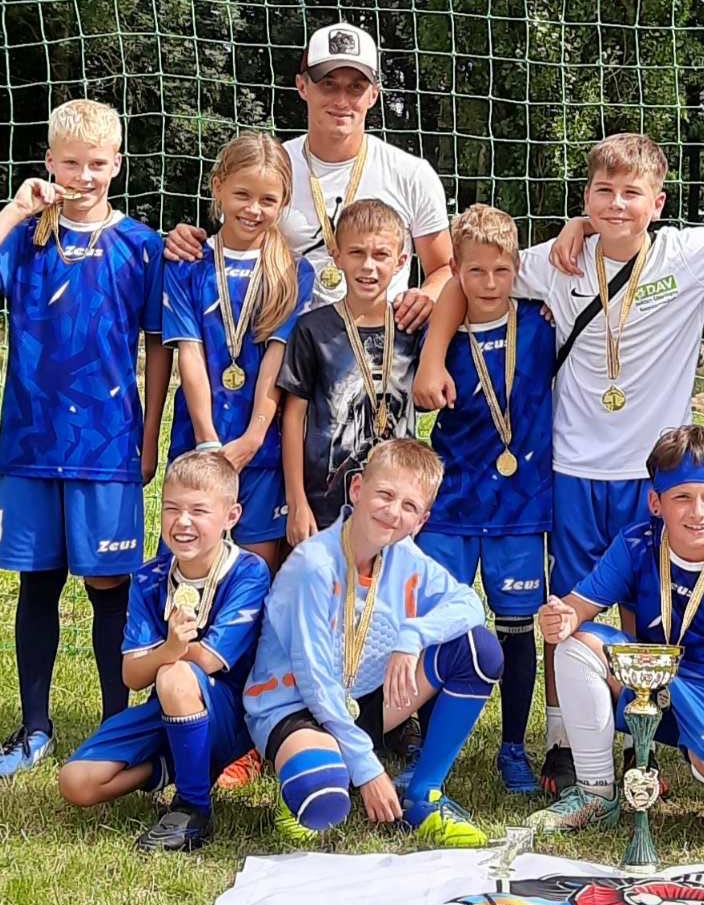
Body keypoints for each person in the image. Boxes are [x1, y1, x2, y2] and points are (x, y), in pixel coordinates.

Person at [415, 132, 704, 796]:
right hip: (574, 466)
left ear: (658, 202)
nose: (617, 204)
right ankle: (565, 742)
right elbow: (470, 276)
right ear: (585, 197)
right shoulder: (555, 261)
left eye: (632, 193)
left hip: (653, 472)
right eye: (602, 192)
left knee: (647, 602)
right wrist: (433, 357)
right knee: (568, 604)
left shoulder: (687, 253)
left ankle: (643, 733)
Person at [0, 98, 168, 779]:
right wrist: (15, 210)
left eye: (97, 163)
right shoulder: (26, 239)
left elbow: (159, 346)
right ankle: (35, 726)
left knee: (108, 586)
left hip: (107, 446)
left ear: (117, 164)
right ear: (49, 164)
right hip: (32, 446)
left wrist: (149, 433)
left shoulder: (141, 246)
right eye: (71, 163)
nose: (84, 176)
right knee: (38, 582)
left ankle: (114, 728)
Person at [532, 425, 704, 849]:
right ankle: (596, 792)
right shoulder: (636, 544)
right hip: (653, 679)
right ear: (656, 503)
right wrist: (561, 618)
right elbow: (578, 607)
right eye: (682, 498)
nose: (698, 512)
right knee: (576, 648)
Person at [243, 438, 503, 847]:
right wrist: (367, 770)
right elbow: (314, 680)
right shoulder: (314, 565)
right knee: (322, 802)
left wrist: (413, 636)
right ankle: (310, 771)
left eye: (409, 506)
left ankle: (423, 794)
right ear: (357, 489)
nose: (393, 512)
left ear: (421, 521)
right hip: (295, 706)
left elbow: (469, 604)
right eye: (385, 494)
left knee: (479, 649)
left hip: (361, 700)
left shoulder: (405, 557)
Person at [161, 22, 453, 329]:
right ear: (302, 87)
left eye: (356, 87)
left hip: (382, 344)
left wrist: (428, 295)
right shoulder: (271, 168)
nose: (341, 100)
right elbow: (231, 245)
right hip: (284, 345)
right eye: (328, 84)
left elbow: (444, 268)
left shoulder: (411, 174)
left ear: (374, 95)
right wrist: (189, 243)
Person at [55, 452, 270, 851]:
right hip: (171, 708)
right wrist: (171, 648)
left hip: (237, 716)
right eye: (172, 508)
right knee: (76, 783)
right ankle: (172, 764)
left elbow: (210, 660)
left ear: (231, 516)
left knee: (174, 675)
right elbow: (132, 676)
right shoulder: (150, 577)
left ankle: (192, 808)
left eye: (198, 511)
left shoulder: (249, 571)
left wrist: (167, 655)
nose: (182, 521)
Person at [415, 205, 555, 794]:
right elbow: (418, 396)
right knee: (436, 624)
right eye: (475, 271)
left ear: (516, 268)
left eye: (501, 270)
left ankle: (513, 746)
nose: (490, 283)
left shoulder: (543, 321)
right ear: (457, 272)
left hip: (520, 506)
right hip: (451, 502)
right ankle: (426, 741)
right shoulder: (437, 333)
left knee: (517, 628)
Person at [161, 132, 314, 570]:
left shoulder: (294, 272)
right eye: (242, 195)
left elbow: (276, 360)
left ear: (284, 202)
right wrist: (208, 439)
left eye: (268, 200)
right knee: (189, 568)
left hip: (262, 451)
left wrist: (253, 438)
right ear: (218, 187)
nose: (253, 209)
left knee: (253, 573)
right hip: (197, 446)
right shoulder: (187, 264)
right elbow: (189, 355)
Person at [280, 197, 424, 541]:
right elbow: (293, 417)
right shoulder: (313, 330)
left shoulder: (413, 330)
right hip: (324, 505)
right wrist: (297, 502)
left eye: (381, 255)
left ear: (401, 261)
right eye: (357, 253)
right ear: (337, 256)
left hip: (396, 505)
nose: (368, 266)